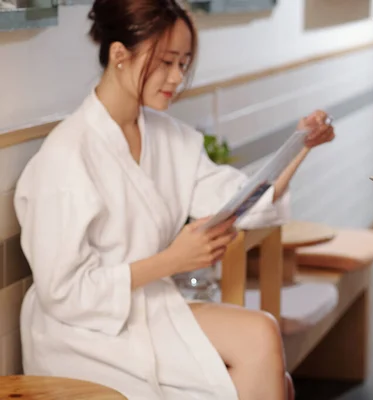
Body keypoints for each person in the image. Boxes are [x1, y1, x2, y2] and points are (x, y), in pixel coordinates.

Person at [14, 1, 335, 399]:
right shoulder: (66, 155)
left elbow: (240, 201)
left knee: (263, 337)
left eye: (183, 63)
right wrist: (172, 261)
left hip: (149, 305)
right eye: (167, 62)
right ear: (119, 54)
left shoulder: (170, 137)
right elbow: (64, 294)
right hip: (83, 332)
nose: (177, 77)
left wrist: (300, 146)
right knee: (270, 374)